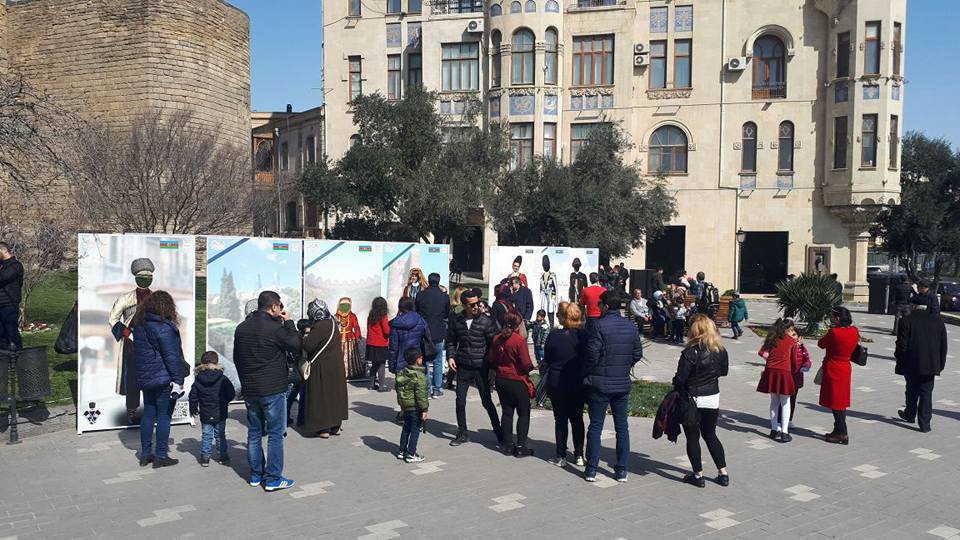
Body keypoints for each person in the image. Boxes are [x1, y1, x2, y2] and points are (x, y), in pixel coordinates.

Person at [233, 290, 301, 491]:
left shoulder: (242, 328)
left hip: (251, 388)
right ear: (274, 307)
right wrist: (289, 322)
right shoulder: (275, 328)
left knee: (254, 432)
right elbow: (297, 345)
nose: (281, 309)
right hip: (272, 388)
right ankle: (272, 478)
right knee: (275, 434)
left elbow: (237, 358)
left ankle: (256, 475)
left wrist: (245, 382)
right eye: (280, 306)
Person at [583, 290, 644, 483]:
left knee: (595, 426)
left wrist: (588, 371)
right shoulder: (630, 326)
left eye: (600, 304)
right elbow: (637, 353)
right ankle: (621, 470)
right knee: (622, 427)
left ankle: (591, 469)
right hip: (621, 383)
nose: (598, 307)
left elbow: (592, 354)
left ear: (606, 306)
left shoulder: (598, 326)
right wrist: (624, 366)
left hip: (599, 383)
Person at [672, 314, 729, 488]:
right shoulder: (720, 350)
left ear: (694, 331)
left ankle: (698, 475)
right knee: (710, 434)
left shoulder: (690, 352)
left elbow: (681, 378)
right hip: (712, 396)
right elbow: (724, 372)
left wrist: (676, 383)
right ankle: (723, 473)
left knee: (692, 437)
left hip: (693, 398)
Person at [130, 291, 186, 469]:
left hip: (146, 378)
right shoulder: (164, 328)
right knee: (164, 416)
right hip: (163, 379)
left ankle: (145, 454)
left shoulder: (140, 325)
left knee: (148, 414)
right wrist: (178, 380)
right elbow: (172, 357)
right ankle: (161, 456)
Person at [446, 290, 502, 447]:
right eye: (473, 304)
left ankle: (499, 432)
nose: (477, 306)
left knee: (487, 401)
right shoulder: (457, 320)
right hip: (463, 366)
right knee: (460, 401)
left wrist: (492, 367)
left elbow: (494, 345)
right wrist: (450, 356)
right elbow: (450, 340)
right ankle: (462, 432)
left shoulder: (486, 321)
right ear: (465, 305)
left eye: (478, 302)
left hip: (481, 367)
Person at [109, 257, 154, 422]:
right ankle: (131, 411)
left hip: (151, 344)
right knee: (132, 378)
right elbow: (113, 318)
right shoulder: (125, 298)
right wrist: (127, 333)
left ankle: (151, 409)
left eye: (149, 276)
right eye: (142, 276)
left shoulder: (156, 298)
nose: (146, 279)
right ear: (136, 277)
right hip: (131, 345)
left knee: (152, 376)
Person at [543, 303, 587, 467]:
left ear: (564, 317)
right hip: (578, 380)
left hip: (557, 380)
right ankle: (579, 454)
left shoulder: (554, 335)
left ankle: (561, 455)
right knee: (577, 418)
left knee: (560, 419)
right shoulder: (584, 336)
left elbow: (548, 357)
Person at [895, 303, 948, 433]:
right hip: (930, 364)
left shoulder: (905, 321)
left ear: (913, 306)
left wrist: (900, 360)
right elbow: (943, 346)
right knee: (926, 393)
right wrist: (940, 364)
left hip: (911, 362)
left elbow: (902, 345)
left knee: (911, 389)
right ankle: (925, 424)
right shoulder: (938, 321)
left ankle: (910, 414)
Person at [489, 313, 536, 457]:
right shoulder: (519, 340)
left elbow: (491, 359)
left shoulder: (497, 338)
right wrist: (532, 367)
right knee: (523, 412)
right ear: (517, 325)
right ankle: (521, 447)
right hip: (517, 379)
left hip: (501, 378)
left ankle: (508, 445)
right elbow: (526, 363)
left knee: (507, 412)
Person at [303, 299, 348, 438]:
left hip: (322, 367)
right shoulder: (333, 322)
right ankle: (336, 425)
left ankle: (324, 428)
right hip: (336, 366)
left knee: (322, 396)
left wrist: (306, 335)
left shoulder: (319, 326)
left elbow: (309, 346)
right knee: (335, 395)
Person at [816, 306, 859, 445]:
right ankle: (837, 430)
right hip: (845, 367)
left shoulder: (834, 332)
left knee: (836, 402)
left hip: (833, 367)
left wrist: (830, 330)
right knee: (840, 400)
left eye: (832, 317)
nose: (831, 319)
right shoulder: (854, 330)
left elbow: (821, 344)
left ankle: (842, 433)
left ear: (838, 318)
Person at [189, 351, 236, 467]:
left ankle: (205, 458)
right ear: (216, 362)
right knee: (220, 434)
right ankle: (223, 456)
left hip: (205, 412)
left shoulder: (198, 379)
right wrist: (225, 401)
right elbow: (231, 393)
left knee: (206, 435)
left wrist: (193, 409)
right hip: (220, 411)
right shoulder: (223, 378)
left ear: (202, 363)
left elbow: (193, 396)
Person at [756, 318, 799, 443]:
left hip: (770, 371)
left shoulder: (772, 338)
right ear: (787, 329)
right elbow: (794, 361)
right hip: (784, 371)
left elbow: (761, 352)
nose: (792, 332)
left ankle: (774, 430)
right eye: (791, 329)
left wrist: (771, 360)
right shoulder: (791, 341)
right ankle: (784, 432)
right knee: (785, 402)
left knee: (774, 401)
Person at [415, 272, 451, 399]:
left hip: (424, 331)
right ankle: (437, 389)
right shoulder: (444, 297)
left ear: (429, 281)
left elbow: (417, 312)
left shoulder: (420, 295)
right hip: (439, 331)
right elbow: (446, 314)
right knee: (438, 361)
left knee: (425, 360)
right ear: (439, 281)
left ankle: (427, 388)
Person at [395, 348, 429, 463]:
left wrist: (401, 404)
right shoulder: (419, 376)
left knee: (406, 428)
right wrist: (425, 409)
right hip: (415, 408)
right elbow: (421, 396)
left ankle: (401, 451)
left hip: (405, 406)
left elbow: (398, 390)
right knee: (415, 430)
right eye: (421, 357)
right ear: (417, 360)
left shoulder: (402, 373)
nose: (422, 359)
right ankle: (411, 453)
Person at [388, 297, 429, 375]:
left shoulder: (396, 323)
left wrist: (392, 365)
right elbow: (426, 340)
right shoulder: (421, 320)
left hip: (400, 362)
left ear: (400, 307)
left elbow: (393, 347)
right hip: (416, 360)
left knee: (401, 382)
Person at [0, 242, 24, 351]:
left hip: (9, 303)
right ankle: (4, 356)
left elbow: (2, 278)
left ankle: (18, 353)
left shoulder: (15, 266)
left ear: (4, 251)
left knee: (11, 331)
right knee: (1, 334)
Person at [335, 297, 364, 379]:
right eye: (342, 305)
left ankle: (351, 372)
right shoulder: (336, 316)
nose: (344, 307)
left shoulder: (352, 316)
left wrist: (358, 337)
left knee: (350, 356)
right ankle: (338, 372)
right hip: (338, 340)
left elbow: (356, 327)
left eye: (347, 305)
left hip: (350, 339)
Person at [366, 297, 390, 392]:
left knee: (374, 365)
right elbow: (387, 331)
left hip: (371, 343)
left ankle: (371, 384)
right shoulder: (383, 316)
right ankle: (382, 385)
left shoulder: (370, 316)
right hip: (381, 344)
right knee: (381, 365)